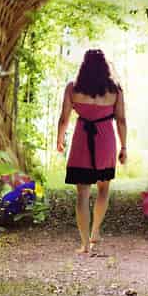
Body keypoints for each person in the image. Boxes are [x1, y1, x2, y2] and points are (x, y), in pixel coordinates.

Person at [56, 49, 127, 255]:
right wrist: (124, 147)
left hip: (81, 141)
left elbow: (64, 118)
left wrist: (60, 140)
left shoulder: (73, 87)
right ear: (105, 67)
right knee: (104, 189)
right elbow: (121, 120)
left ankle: (85, 243)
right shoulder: (115, 90)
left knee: (82, 193)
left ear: (84, 66)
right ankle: (95, 230)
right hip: (105, 140)